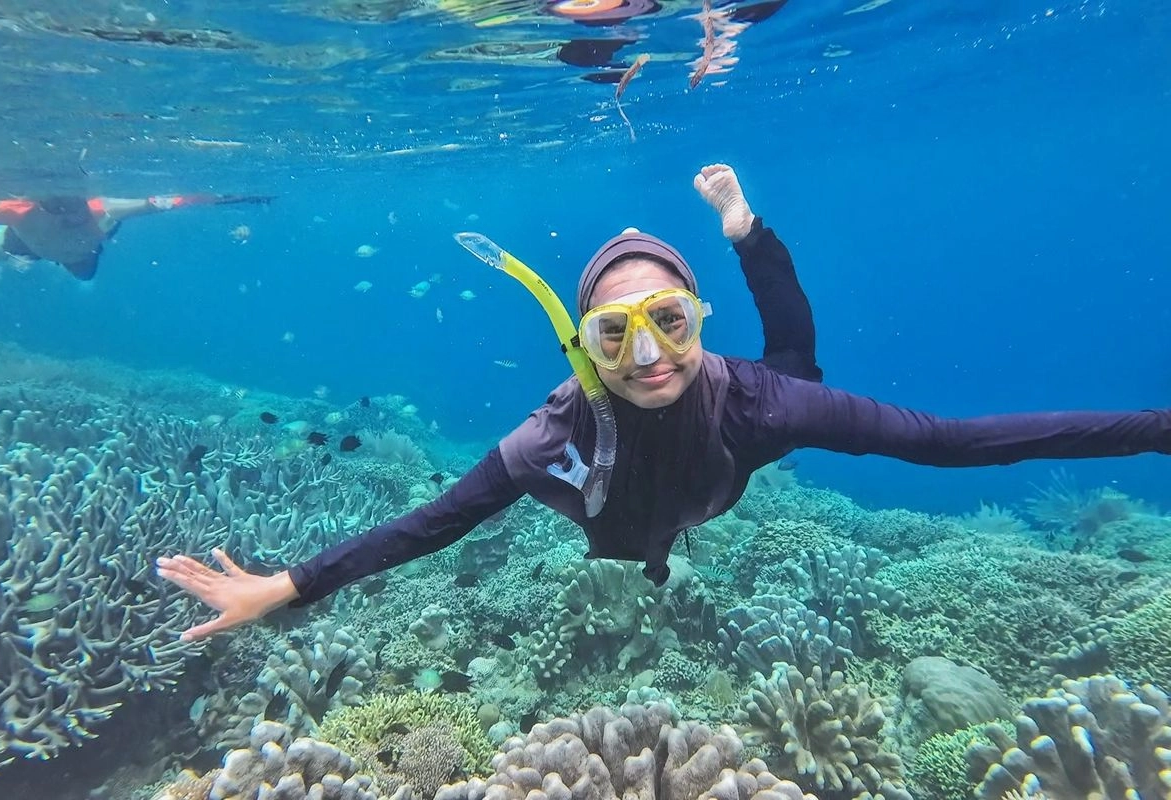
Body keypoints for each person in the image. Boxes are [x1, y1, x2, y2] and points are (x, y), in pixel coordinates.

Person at [157, 163, 1171, 642]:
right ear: (583, 345)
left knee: (801, 377)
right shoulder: (554, 433)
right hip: (616, 517)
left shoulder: (754, 402)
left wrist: (1155, 430)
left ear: (698, 317)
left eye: (670, 321)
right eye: (616, 333)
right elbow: (434, 524)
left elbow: (953, 443)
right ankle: (736, 240)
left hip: (721, 473)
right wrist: (286, 584)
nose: (648, 356)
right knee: (665, 511)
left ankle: (746, 230)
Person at [0, 192, 271, 281]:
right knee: (6, 248)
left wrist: (228, 199)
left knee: (85, 276)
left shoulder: (102, 209)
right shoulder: (19, 210)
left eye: (73, 207)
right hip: (28, 244)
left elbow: (165, 203)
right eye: (57, 207)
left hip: (77, 255)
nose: (67, 214)